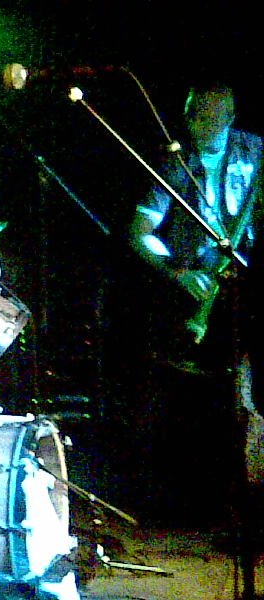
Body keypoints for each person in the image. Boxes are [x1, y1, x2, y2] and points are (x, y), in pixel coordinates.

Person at [127, 82, 262, 529]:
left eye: (218, 117)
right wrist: (176, 272)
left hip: (246, 285)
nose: (209, 126)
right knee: (192, 394)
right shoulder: (174, 162)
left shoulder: (254, 152)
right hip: (196, 291)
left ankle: (247, 495)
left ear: (231, 117)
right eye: (201, 117)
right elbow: (140, 232)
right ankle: (189, 498)